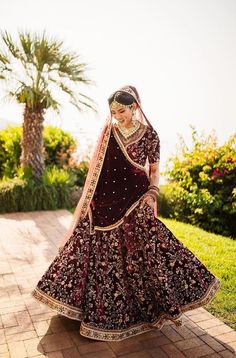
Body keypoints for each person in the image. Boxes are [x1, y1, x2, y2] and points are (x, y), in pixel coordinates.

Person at [31, 85, 220, 341]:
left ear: (134, 107)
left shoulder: (150, 136)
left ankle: (150, 306)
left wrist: (152, 192)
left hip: (135, 199)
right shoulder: (109, 133)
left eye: (121, 110)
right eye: (113, 111)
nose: (117, 116)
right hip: (106, 200)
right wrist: (90, 200)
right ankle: (96, 308)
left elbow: (153, 170)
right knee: (102, 257)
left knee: (147, 252)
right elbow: (98, 170)